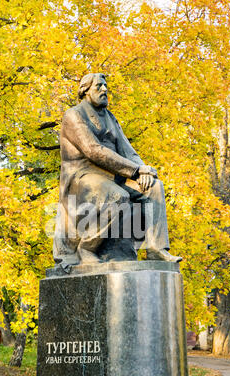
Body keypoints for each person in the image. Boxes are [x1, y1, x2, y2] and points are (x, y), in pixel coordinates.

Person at [53, 72, 181, 268]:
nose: (104, 90)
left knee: (154, 187)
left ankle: (156, 248)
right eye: (99, 86)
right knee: (117, 196)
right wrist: (135, 170)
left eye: (105, 86)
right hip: (81, 178)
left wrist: (144, 171)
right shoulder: (74, 115)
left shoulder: (110, 118)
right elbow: (94, 151)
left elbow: (128, 151)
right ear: (85, 91)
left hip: (111, 177)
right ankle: (87, 247)